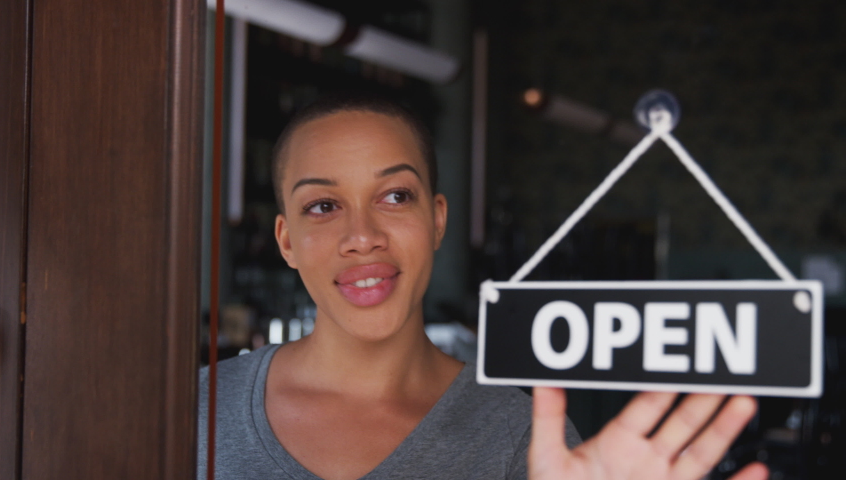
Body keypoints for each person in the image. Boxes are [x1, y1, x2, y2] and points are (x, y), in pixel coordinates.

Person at [199, 92, 768, 480]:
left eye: (395, 196)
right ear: (286, 240)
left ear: (438, 219)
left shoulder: (519, 436)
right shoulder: (194, 409)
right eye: (323, 206)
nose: (362, 236)